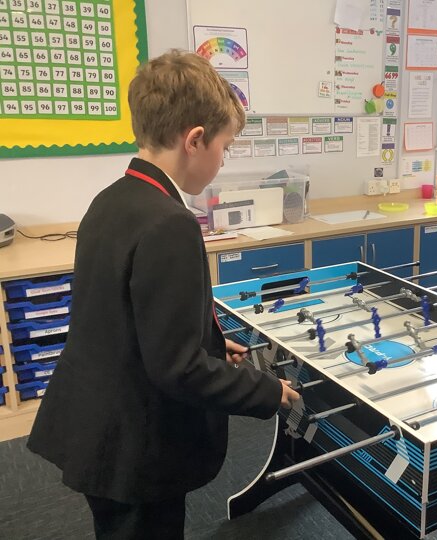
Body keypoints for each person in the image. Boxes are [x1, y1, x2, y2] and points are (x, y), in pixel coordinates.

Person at [27, 50, 300, 539]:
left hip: (99, 419)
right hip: (135, 443)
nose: (223, 159)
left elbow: (128, 318)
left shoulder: (113, 197)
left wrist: (210, 343)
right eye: (225, 146)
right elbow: (178, 369)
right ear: (194, 140)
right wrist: (265, 390)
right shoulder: (169, 222)